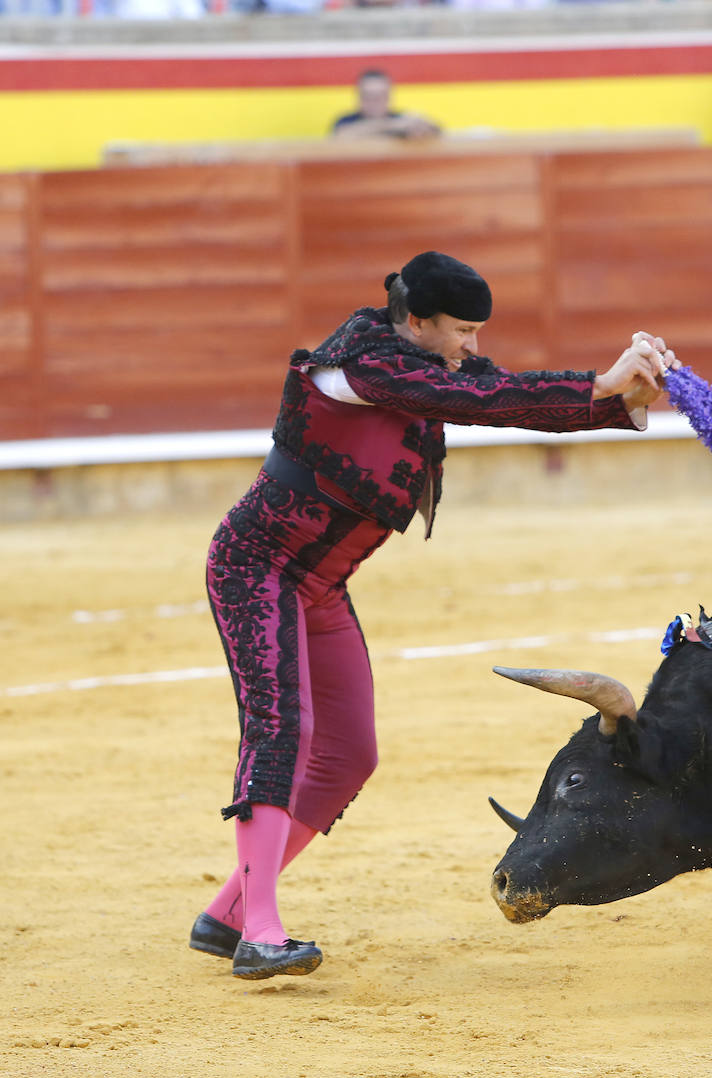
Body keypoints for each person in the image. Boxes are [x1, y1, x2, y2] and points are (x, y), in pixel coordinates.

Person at [190, 251, 677, 979]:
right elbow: (480, 400)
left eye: (477, 332)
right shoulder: (359, 366)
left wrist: (621, 397)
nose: (471, 348)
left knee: (351, 753)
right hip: (256, 567)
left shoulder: (424, 364)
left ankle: (228, 910)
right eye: (460, 331)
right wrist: (600, 383)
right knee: (282, 729)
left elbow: (507, 395)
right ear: (414, 321)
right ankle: (259, 932)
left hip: (320, 584)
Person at [331, 69, 442, 141]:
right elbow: (341, 136)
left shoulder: (400, 118)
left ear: (389, 97)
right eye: (369, 96)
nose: (375, 102)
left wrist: (421, 125)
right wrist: (392, 125)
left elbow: (437, 132)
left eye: (380, 96)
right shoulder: (346, 121)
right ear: (359, 97)